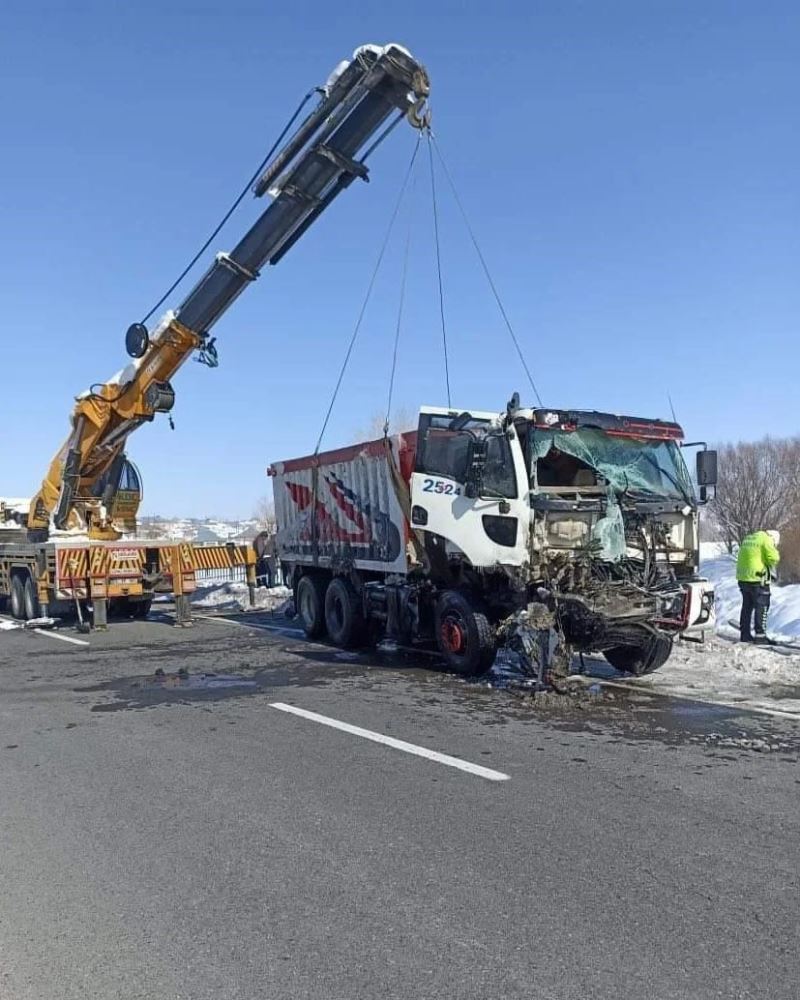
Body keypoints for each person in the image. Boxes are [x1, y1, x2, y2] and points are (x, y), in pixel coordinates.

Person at [736, 529, 781, 644]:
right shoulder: (766, 539)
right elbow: (774, 558)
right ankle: (760, 636)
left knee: (747, 606)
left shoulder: (748, 538)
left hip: (743, 578)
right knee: (762, 606)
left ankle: (745, 634)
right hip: (758, 579)